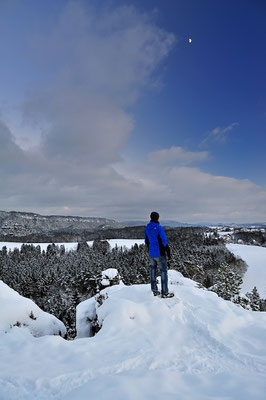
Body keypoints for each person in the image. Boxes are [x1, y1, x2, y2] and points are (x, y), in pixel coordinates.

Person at [144, 211, 174, 298]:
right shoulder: (159, 227)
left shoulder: (147, 228)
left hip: (152, 254)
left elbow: (146, 241)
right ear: (157, 218)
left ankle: (154, 290)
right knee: (163, 272)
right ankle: (165, 292)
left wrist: (150, 250)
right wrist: (168, 252)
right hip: (160, 253)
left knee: (152, 271)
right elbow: (164, 241)